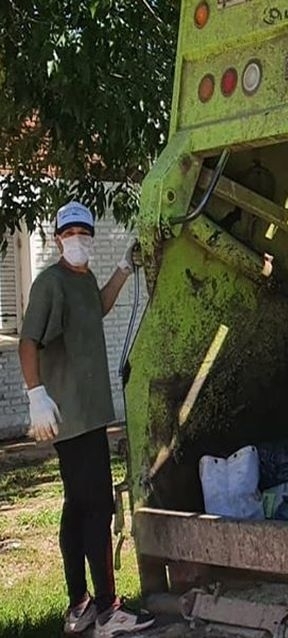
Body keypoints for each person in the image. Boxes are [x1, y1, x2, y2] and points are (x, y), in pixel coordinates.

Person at [18, 202, 155, 637]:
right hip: (72, 418)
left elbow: (97, 308)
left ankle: (79, 607)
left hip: (90, 416)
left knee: (76, 509)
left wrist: (122, 269)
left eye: (84, 232)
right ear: (57, 238)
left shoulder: (84, 280)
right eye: (70, 232)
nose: (78, 239)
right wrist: (35, 394)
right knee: (96, 508)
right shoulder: (49, 283)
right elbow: (27, 341)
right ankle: (108, 610)